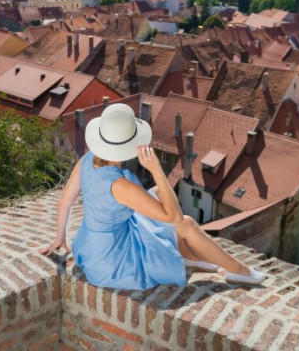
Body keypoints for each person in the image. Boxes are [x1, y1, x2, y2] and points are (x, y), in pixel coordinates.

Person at [39, 103, 264, 289]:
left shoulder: (87, 160)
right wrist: (156, 169)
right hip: (112, 257)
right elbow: (174, 217)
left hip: (89, 247)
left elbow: (64, 202)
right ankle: (238, 270)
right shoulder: (120, 184)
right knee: (186, 224)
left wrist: (60, 237)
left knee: (155, 196)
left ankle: (187, 256)